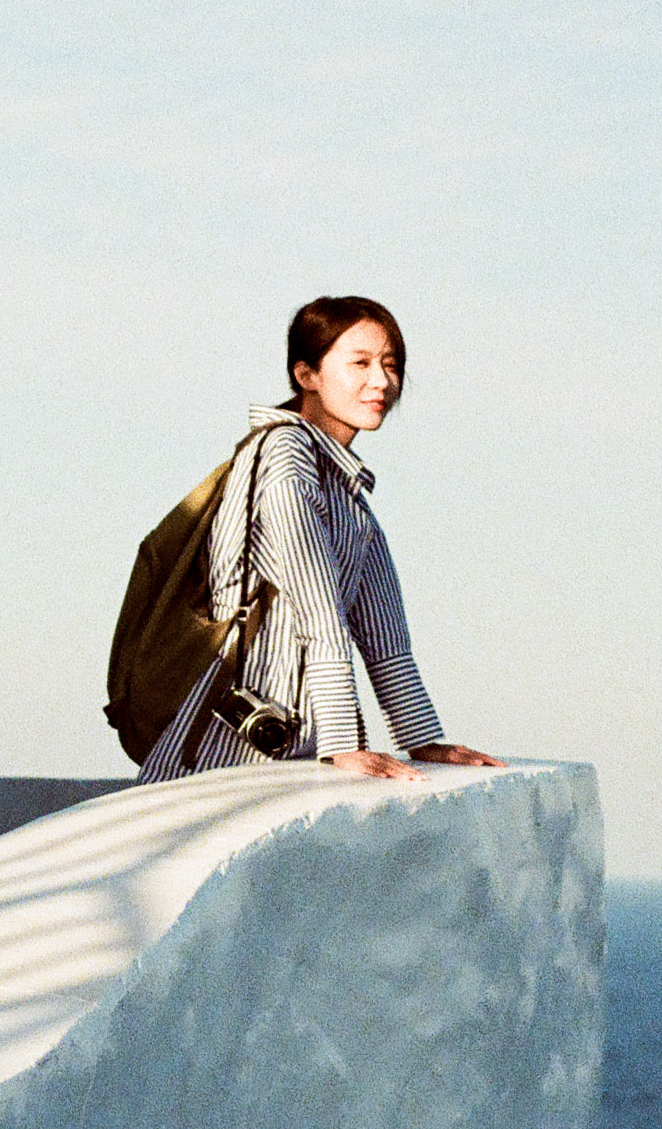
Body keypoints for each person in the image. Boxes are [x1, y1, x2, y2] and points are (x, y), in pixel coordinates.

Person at [137, 295, 503, 783]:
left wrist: (423, 740)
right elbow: (320, 611)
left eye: (390, 364)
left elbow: (385, 636)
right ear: (307, 375)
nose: (382, 381)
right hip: (220, 756)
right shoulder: (284, 457)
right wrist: (344, 743)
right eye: (360, 363)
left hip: (295, 751)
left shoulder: (346, 489)